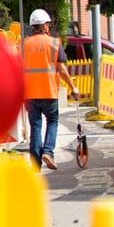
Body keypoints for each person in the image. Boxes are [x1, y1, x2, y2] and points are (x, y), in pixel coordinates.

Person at [23, 9, 78, 170]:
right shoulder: (54, 43)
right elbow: (61, 69)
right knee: (52, 122)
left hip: (30, 93)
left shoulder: (24, 45)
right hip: (49, 91)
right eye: (48, 24)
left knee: (35, 126)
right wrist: (72, 87)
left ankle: (35, 161)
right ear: (45, 26)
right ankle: (48, 152)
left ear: (33, 26)